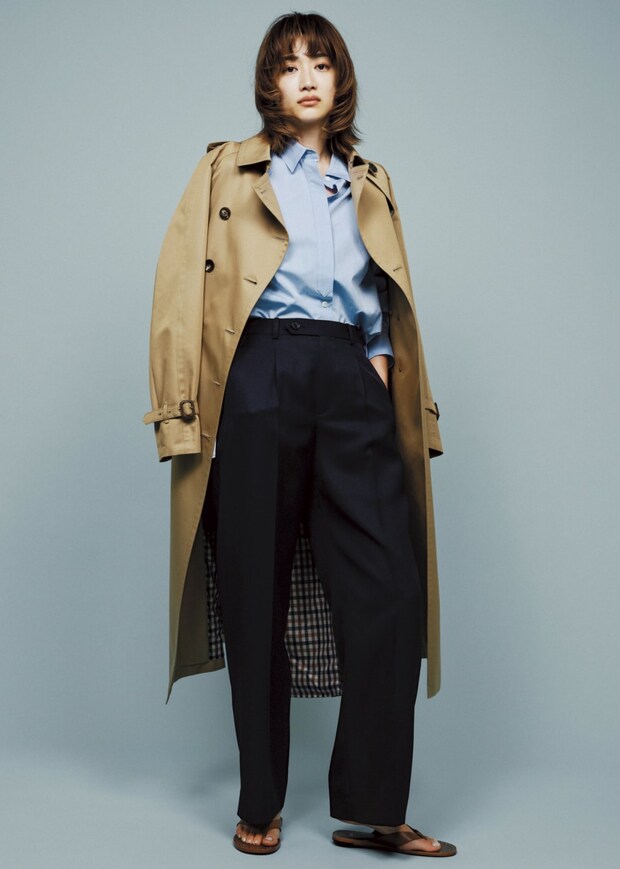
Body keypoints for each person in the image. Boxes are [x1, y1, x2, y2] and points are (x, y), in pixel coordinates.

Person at [143, 10, 455, 859]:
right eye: (289, 64)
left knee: (390, 588)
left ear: (339, 77)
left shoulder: (369, 180)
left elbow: (385, 293)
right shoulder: (225, 169)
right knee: (255, 590)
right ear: (270, 83)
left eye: (321, 62)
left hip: (351, 375)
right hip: (258, 371)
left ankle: (376, 807)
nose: (307, 77)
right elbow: (179, 289)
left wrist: (378, 367)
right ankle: (260, 801)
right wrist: (180, 413)